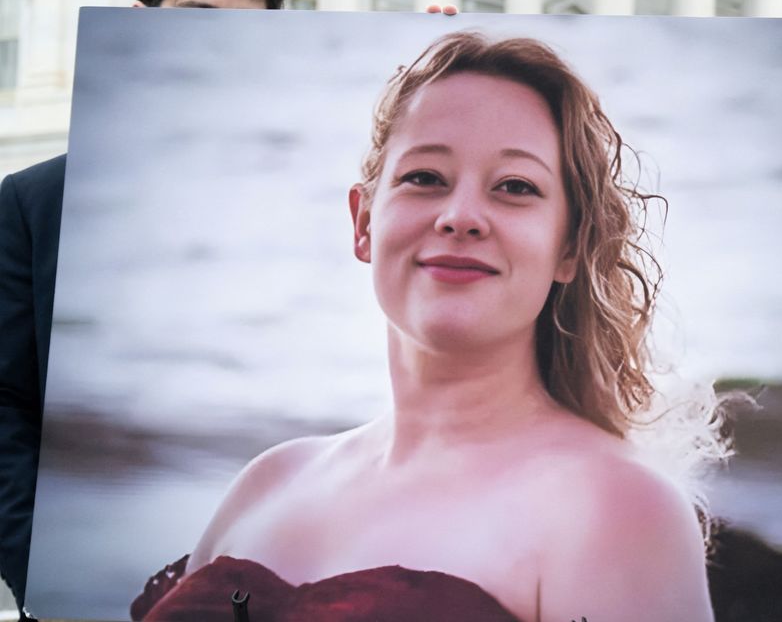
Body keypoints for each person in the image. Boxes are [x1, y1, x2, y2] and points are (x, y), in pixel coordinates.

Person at [131, 31, 716, 621]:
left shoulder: (616, 508)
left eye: (515, 187)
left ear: (569, 247)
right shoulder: (269, 481)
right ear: (363, 223)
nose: (460, 216)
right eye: (425, 178)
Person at [0, 0, 289, 609]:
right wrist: (39, 563)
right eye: (196, 19)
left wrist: (435, 53)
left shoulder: (311, 191)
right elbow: (5, 403)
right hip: (91, 584)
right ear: (140, 19)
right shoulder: (30, 203)